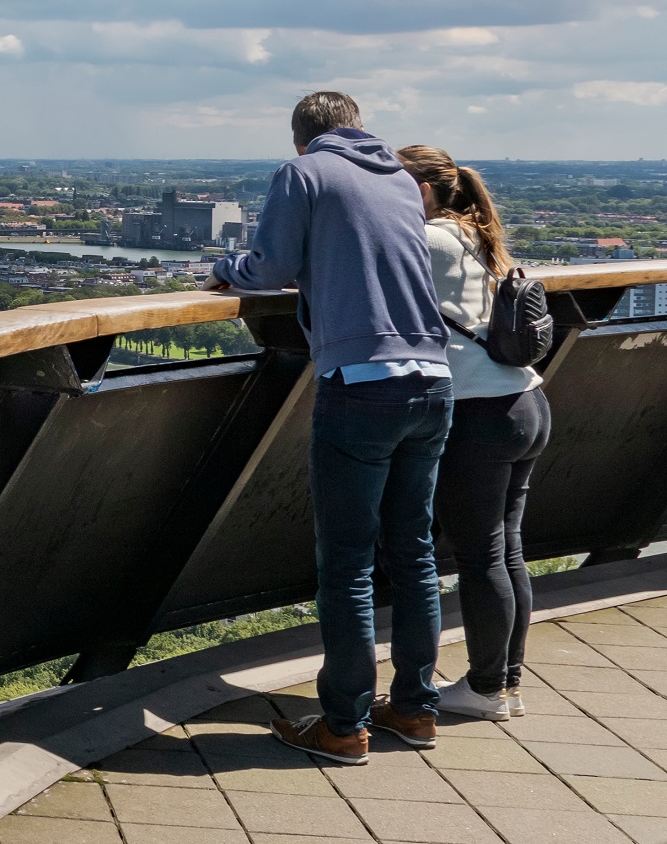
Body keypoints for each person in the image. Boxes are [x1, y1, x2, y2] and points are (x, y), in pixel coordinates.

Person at [200, 92, 450, 766]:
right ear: (359, 129)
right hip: (432, 379)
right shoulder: (399, 178)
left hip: (361, 385)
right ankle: (416, 709)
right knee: (417, 554)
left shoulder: (302, 174)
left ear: (301, 140)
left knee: (347, 566)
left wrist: (224, 271)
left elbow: (270, 268)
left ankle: (343, 726)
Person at [400, 145, 546, 722]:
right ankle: (504, 684)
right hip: (525, 400)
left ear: (424, 190)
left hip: (479, 412)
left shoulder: (427, 239)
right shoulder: (476, 236)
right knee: (507, 548)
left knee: (482, 551)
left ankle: (486, 690)